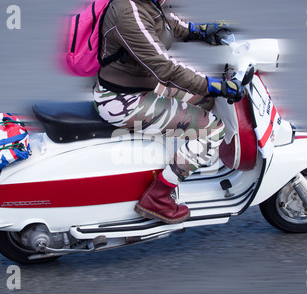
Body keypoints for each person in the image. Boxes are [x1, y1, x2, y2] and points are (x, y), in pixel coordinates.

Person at [94, 0, 245, 224]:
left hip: (143, 86)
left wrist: (198, 31)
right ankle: (157, 197)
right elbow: (166, 68)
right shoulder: (128, 12)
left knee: (206, 101)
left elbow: (163, 22)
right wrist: (214, 84)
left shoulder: (148, 2)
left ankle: (182, 160)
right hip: (123, 100)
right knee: (213, 129)